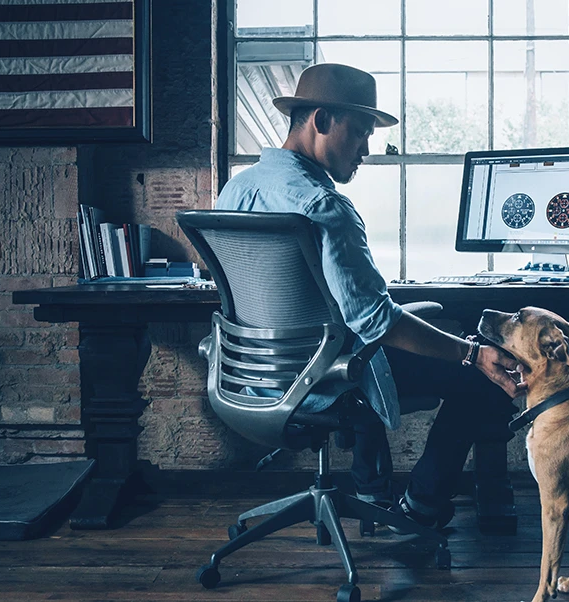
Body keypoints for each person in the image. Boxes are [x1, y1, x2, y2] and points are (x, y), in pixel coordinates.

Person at [215, 63, 523, 529]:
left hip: (255, 374)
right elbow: (377, 321)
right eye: (359, 133)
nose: (366, 150)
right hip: (323, 377)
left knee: (423, 340)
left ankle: (369, 489)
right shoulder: (325, 207)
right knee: (481, 370)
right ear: (320, 122)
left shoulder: (234, 192)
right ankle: (422, 505)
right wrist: (473, 353)